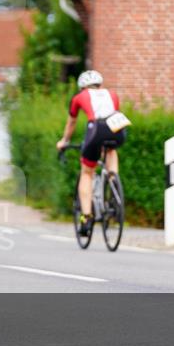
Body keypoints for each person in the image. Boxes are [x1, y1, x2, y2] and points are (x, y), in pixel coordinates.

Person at [56, 70, 127, 234]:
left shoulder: (79, 97)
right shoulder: (112, 94)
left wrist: (64, 141)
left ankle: (86, 218)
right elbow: (112, 115)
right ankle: (113, 179)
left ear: (82, 87)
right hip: (118, 128)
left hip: (96, 128)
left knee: (87, 173)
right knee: (110, 149)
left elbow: (72, 123)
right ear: (99, 85)